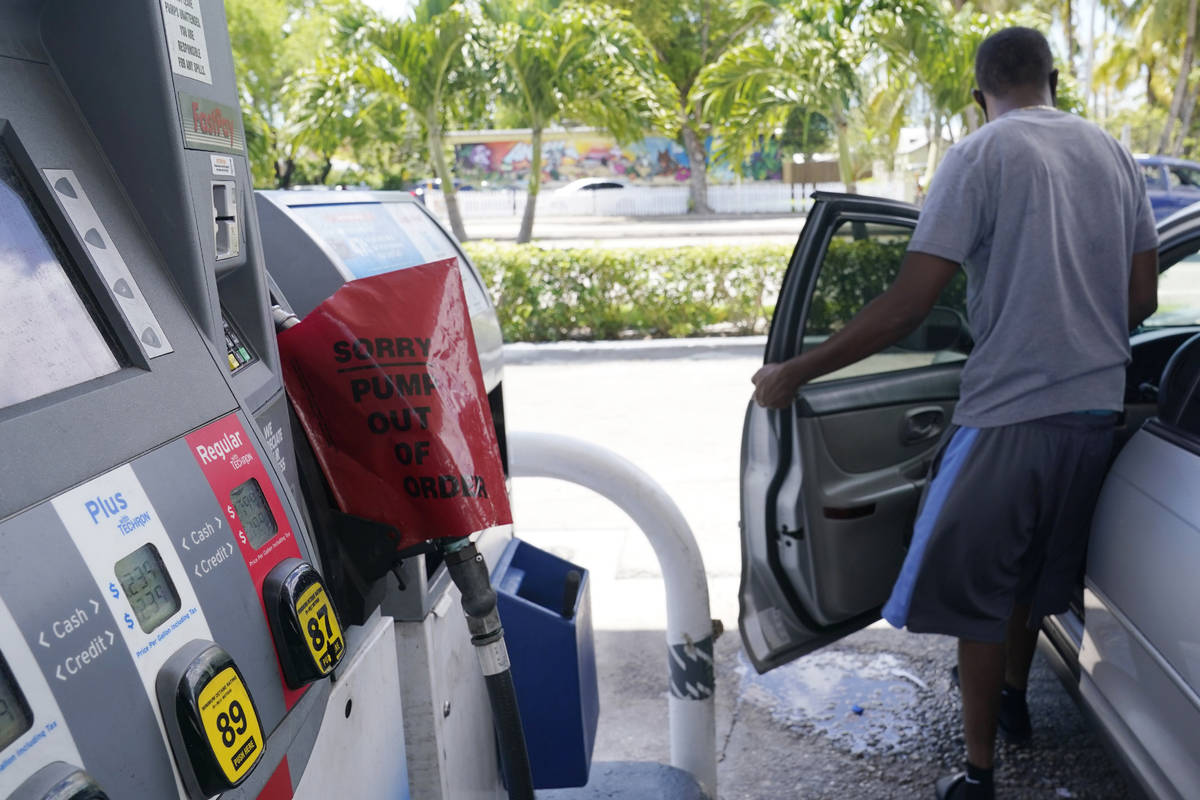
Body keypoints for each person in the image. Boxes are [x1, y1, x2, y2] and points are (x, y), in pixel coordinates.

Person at [751, 27, 1158, 800]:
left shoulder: (979, 155)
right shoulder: (1113, 154)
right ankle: (1011, 697)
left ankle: (976, 774)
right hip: (1095, 415)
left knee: (976, 594)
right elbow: (1139, 298)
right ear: (1055, 82)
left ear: (980, 98)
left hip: (1008, 416)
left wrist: (794, 372)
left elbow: (909, 307)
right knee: (1029, 576)